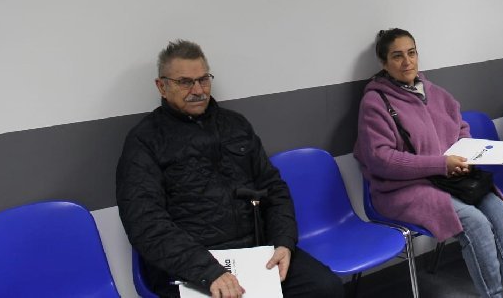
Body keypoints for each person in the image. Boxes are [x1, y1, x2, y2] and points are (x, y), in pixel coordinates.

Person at [116, 40, 344, 298]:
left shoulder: (235, 125)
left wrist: (283, 243)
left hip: (256, 251)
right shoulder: (145, 140)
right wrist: (208, 271)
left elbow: (273, 188)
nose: (198, 90)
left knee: (326, 289)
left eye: (203, 79)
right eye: (185, 82)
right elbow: (144, 222)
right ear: (162, 86)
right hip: (191, 265)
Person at [354, 28, 503, 298]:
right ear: (384, 63)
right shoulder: (375, 103)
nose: (407, 62)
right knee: (475, 222)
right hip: (402, 189)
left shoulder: (437, 93)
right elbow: (381, 160)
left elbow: (460, 128)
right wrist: (441, 164)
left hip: (451, 180)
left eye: (411, 53)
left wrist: (467, 154)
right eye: (397, 56)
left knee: (499, 210)